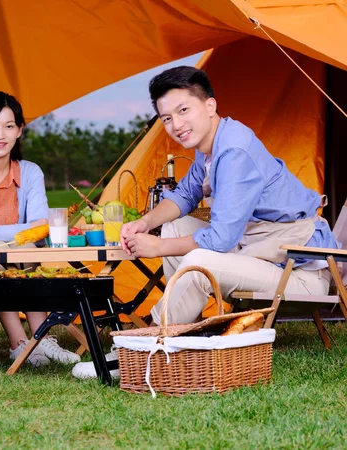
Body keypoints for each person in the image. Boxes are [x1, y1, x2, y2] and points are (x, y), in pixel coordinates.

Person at [121, 66, 339, 326]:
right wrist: (145, 223)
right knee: (174, 226)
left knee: (198, 260)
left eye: (183, 110)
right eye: (166, 118)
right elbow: (184, 196)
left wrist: (158, 248)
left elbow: (220, 239)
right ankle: (183, 329)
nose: (176, 125)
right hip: (259, 251)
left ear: (210, 105)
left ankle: (149, 342)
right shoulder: (212, 143)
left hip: (298, 274)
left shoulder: (234, 150)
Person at [0, 91, 80, 366]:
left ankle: (40, 339)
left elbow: (41, 230)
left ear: (19, 130)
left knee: (26, 250)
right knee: (3, 253)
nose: (0, 134)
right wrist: (21, 230)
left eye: (9, 126)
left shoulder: (30, 172)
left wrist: (14, 235)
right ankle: (22, 343)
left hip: (18, 257)